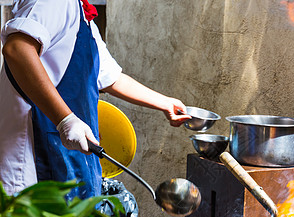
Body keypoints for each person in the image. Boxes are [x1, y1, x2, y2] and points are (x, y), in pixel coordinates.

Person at [0, 0, 191, 200]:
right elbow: (17, 50)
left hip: (61, 149)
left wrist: (165, 103)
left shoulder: (82, 16)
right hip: (33, 151)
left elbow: (108, 77)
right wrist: (65, 120)